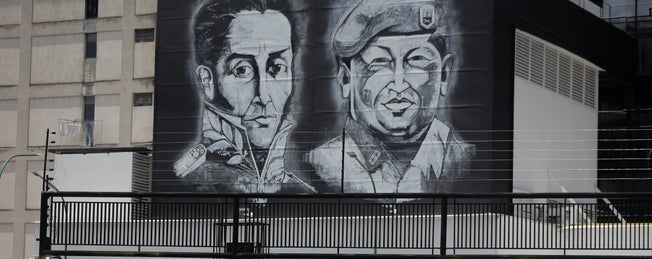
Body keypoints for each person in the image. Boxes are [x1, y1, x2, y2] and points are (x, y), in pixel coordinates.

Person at [307, 0, 473, 196]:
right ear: (345, 79)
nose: (399, 84)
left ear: (444, 74)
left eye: (416, 60)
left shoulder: (464, 159)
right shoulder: (324, 163)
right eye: (379, 62)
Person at [173, 0, 313, 193]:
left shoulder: (301, 191)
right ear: (208, 81)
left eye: (277, 68)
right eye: (242, 70)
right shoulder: (192, 180)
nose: (264, 97)